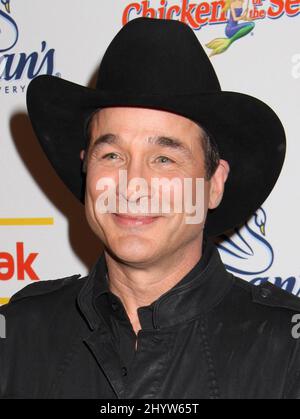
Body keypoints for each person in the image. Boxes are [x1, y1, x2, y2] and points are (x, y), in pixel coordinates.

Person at [1, 17, 299, 399]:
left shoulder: (287, 349)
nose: (133, 183)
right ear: (85, 169)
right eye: (111, 154)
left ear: (214, 184)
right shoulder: (15, 338)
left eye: (164, 158)